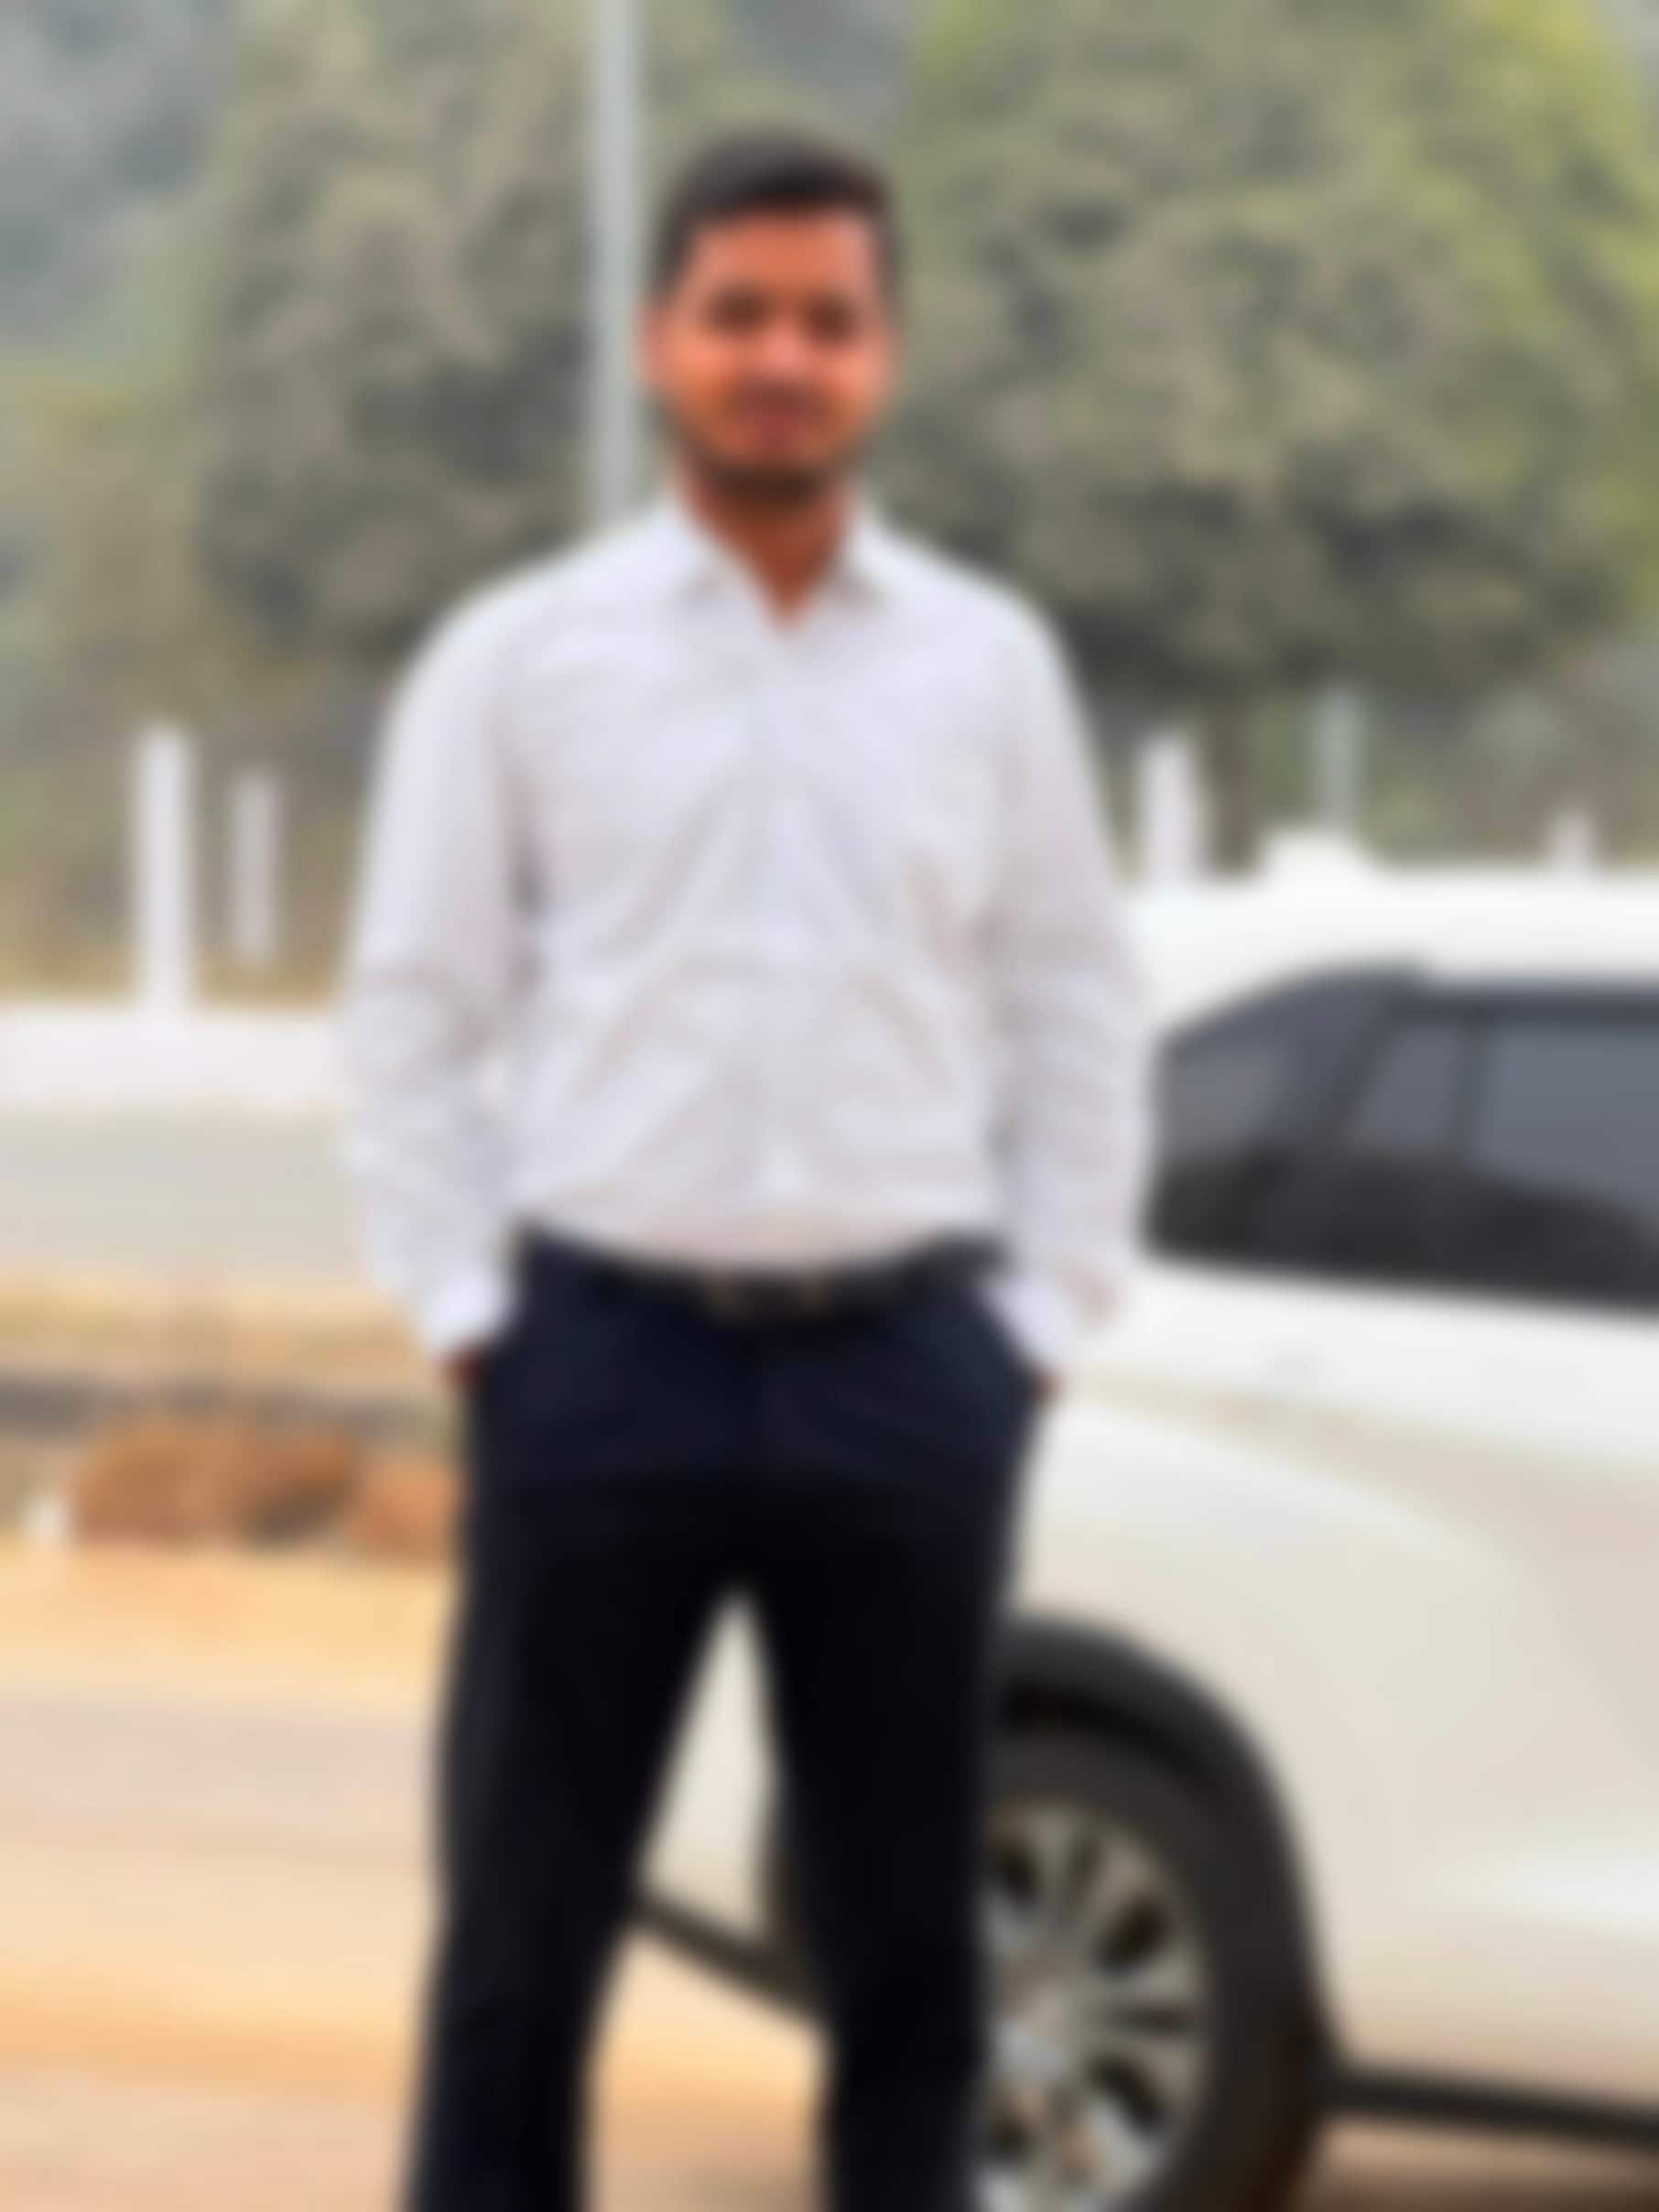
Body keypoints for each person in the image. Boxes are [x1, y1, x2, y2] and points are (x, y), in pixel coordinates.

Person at [338, 125, 1154, 2212]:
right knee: (519, 1944)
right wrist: (473, 1322)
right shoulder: (520, 658)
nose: (781, 359)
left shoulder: (987, 665)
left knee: (910, 1961)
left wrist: (1037, 1327)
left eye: (827, 320)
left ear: (887, 353)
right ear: (657, 339)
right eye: (738, 315)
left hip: (909, 1374)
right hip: (598, 1362)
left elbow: (1075, 1000)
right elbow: (412, 1011)